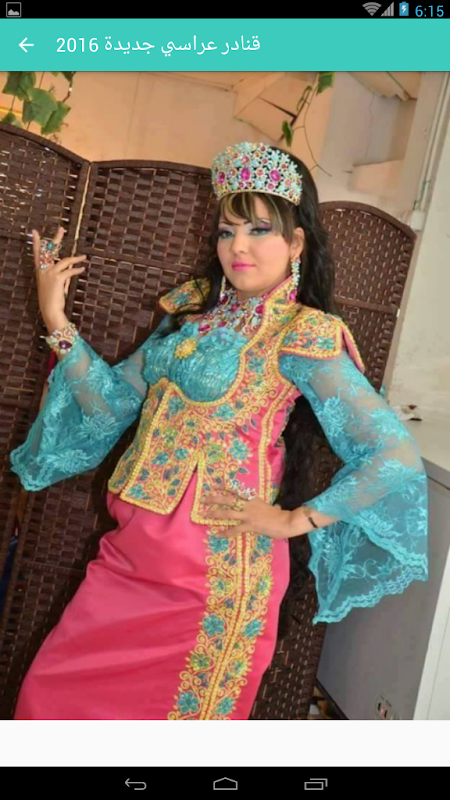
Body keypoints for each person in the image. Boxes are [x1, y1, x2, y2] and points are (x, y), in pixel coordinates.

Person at [9, 141, 429, 721]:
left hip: (212, 580)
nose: (238, 246)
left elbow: (394, 453)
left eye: (259, 230)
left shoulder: (301, 333)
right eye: (227, 231)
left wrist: (294, 520)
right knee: (46, 705)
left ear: (296, 243)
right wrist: (56, 320)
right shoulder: (191, 316)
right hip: (129, 558)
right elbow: (109, 406)